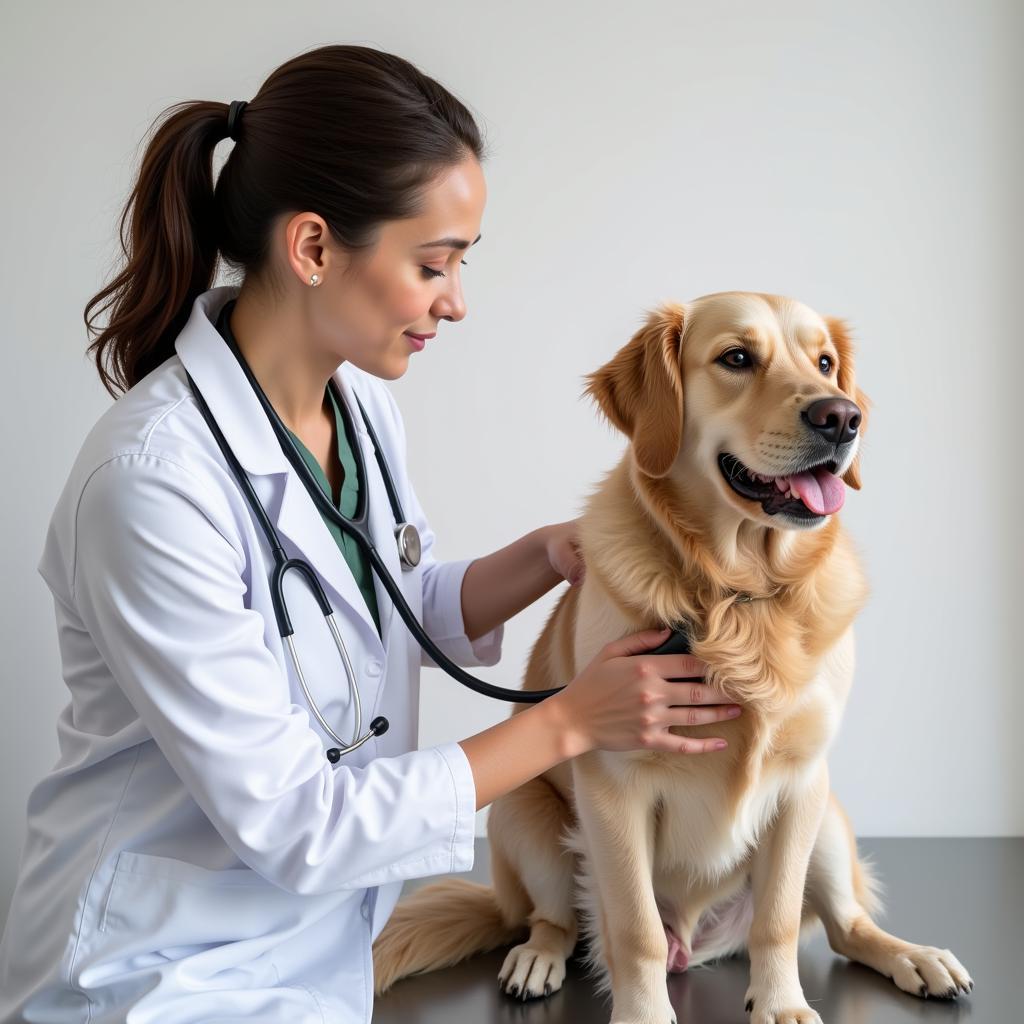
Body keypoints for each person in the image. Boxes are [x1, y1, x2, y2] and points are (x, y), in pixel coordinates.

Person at [0, 44, 743, 1023]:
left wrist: (545, 556)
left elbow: (379, 609)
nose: (456, 300)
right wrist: (568, 722)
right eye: (433, 263)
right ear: (312, 248)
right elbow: (294, 821)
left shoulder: (355, 409)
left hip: (321, 959)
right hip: (163, 978)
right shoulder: (150, 486)